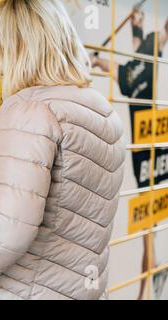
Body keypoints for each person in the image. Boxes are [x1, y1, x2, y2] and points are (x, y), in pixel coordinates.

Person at [0, 0, 126, 300]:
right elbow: (69, 202)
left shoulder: (29, 111)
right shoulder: (100, 111)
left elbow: (5, 232)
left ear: (15, 52)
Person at [91, 6, 168, 300]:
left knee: (150, 221)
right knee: (149, 221)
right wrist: (94, 59)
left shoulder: (133, 68)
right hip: (145, 149)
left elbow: (110, 64)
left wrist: (96, 59)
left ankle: (144, 287)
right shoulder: (138, 66)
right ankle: (148, 279)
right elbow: (128, 55)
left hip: (148, 147)